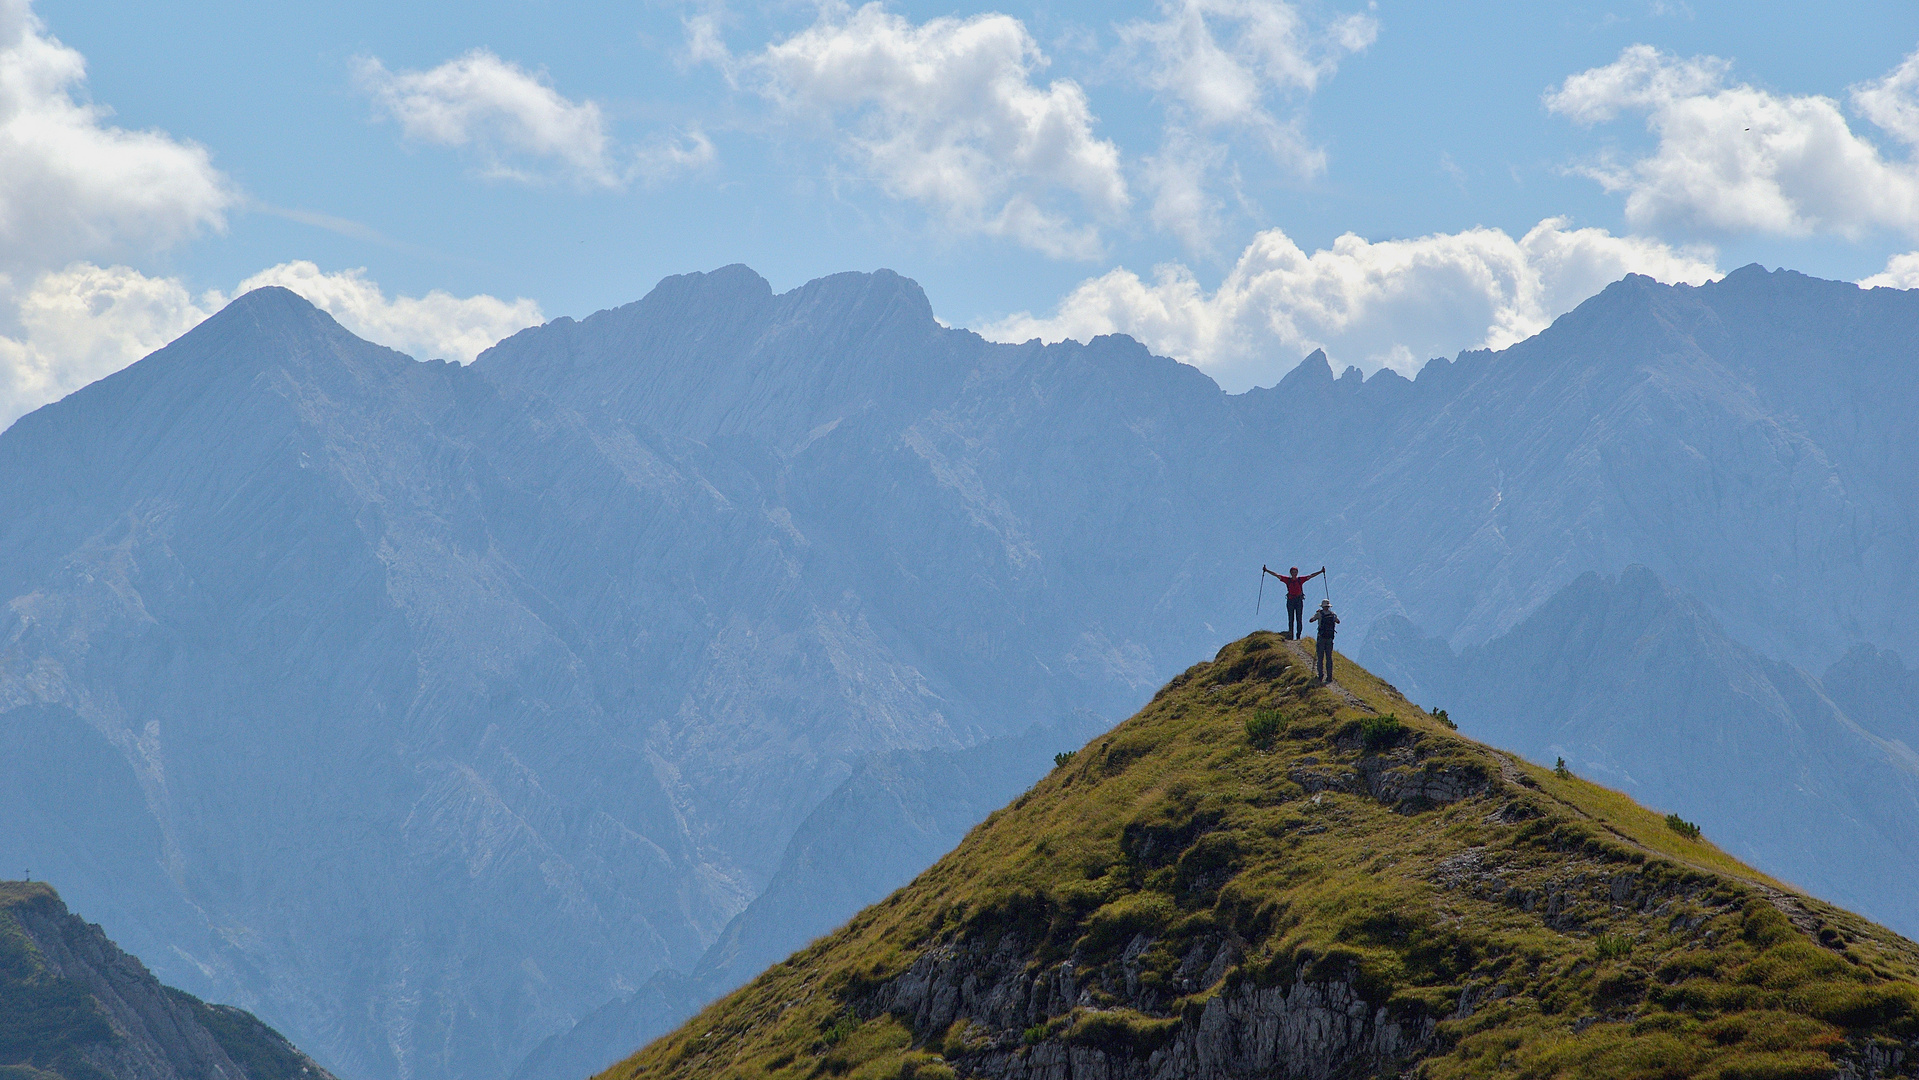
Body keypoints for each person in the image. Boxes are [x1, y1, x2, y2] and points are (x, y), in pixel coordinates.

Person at [1263, 565, 1324, 639]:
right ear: (1291, 573)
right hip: (1292, 600)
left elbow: (1311, 576)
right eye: (1293, 572)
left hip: (1296, 600)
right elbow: (1276, 575)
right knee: (1291, 619)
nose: (1294, 573)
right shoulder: (1292, 580)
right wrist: (1267, 570)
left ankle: (1298, 635)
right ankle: (1291, 635)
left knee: (1298, 619)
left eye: (1295, 572)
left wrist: (1320, 572)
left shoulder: (1297, 580)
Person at [1308, 598, 1340, 683]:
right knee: (1329, 658)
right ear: (1329, 606)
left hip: (1321, 637)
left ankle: (1320, 675)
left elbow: (1311, 620)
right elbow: (1338, 621)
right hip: (1330, 638)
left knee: (1320, 657)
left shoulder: (1319, 614)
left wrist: (1316, 613)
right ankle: (1329, 677)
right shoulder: (1333, 614)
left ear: (1322, 606)